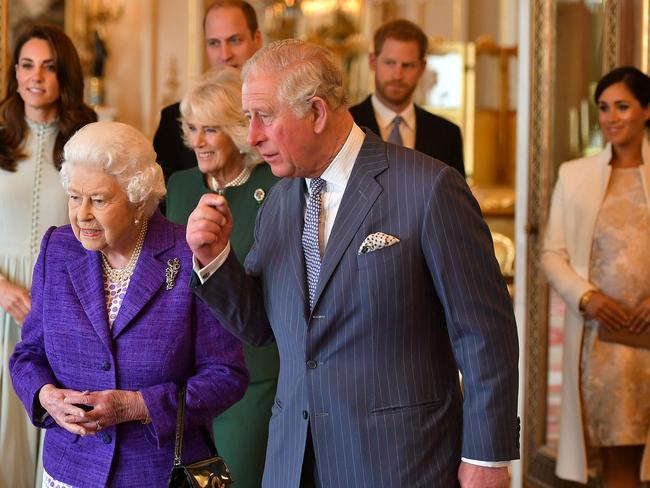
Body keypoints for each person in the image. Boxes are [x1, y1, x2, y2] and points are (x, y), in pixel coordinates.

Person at [187, 39, 519, 487]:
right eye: (249, 119)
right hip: (291, 463)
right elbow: (263, 329)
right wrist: (214, 259)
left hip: (398, 462)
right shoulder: (280, 202)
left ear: (317, 112)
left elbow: (484, 333)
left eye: (264, 116)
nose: (252, 136)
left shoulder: (429, 188)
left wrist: (487, 455)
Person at [9, 121, 249, 487]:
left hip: (161, 473)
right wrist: (45, 396)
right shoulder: (57, 249)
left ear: (138, 197)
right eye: (75, 197)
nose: (82, 214)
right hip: (70, 471)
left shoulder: (187, 254)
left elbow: (228, 376)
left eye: (99, 200)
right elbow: (28, 354)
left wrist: (140, 406)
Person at [166, 66, 280, 488]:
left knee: (238, 480)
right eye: (192, 128)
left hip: (253, 379)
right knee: (197, 483)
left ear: (237, 129)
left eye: (210, 129)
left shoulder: (276, 188)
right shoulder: (178, 187)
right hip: (187, 382)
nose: (197, 141)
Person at [542, 66, 650, 487]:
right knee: (617, 458)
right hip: (603, 342)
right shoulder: (576, 174)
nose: (611, 117)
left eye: (622, 106)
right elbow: (553, 254)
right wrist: (589, 298)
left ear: (645, 110)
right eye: (604, 108)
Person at [0, 23, 96, 488]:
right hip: (1, 297)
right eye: (26, 64)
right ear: (14, 72)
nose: (35, 76)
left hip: (66, 302)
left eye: (49, 66)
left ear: (64, 75)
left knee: (57, 418)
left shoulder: (86, 140)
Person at [153, 0, 262, 182]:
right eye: (214, 43)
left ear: (257, 39)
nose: (225, 54)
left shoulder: (277, 115)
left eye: (235, 40)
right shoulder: (173, 120)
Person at [349, 19, 465, 177]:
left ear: (422, 68)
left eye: (408, 65)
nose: (397, 75)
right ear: (372, 62)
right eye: (389, 63)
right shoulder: (347, 125)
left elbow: (454, 199)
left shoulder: (447, 135)